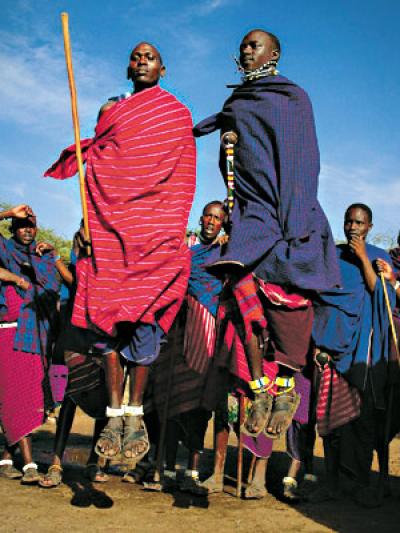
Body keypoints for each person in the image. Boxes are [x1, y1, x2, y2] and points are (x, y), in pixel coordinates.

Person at [45, 42, 196, 465]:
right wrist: (90, 227)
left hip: (153, 236)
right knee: (106, 321)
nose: (142, 60)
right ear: (128, 66)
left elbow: (180, 177)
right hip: (110, 236)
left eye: (150, 56)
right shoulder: (113, 112)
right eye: (135, 56)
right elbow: (103, 176)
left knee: (146, 319)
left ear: (162, 69)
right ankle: (114, 415)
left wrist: (166, 231)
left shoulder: (174, 115)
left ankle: (135, 413)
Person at [194, 29, 340, 443]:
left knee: (289, 297)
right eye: (243, 45)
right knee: (240, 290)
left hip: (286, 209)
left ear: (275, 53)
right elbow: (220, 128)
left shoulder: (292, 98)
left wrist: (297, 220)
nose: (246, 50)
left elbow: (302, 156)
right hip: (249, 213)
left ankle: (287, 386)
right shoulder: (238, 100)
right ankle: (259, 389)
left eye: (255, 45)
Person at [312, 203, 395, 506]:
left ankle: (359, 482)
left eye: (359, 223)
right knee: (330, 420)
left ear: (369, 227)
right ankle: (332, 482)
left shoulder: (378, 258)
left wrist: (363, 258)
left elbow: (383, 297)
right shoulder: (333, 256)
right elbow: (320, 296)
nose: (353, 228)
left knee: (361, 422)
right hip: (332, 351)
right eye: (349, 222)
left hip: (363, 353)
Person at [144, 201, 226, 493]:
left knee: (198, 407)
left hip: (207, 335)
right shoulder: (186, 248)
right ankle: (162, 468)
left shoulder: (225, 252)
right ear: (202, 218)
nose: (212, 222)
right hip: (177, 332)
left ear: (222, 223)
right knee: (169, 399)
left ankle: (191, 471)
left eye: (218, 218)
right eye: (209, 216)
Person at [39, 223, 109, 488]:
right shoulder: (74, 259)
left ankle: (95, 461)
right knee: (70, 396)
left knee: (106, 399)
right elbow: (77, 281)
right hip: (74, 330)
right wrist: (58, 258)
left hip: (101, 331)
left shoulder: (107, 259)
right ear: (80, 232)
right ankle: (56, 461)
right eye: (85, 226)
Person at [0, 205, 61, 484]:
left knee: (27, 397)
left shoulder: (45, 255)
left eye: (30, 225)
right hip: (10, 333)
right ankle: (29, 464)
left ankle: (6, 457)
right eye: (21, 224)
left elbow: (52, 290)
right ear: (12, 227)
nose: (26, 229)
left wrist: (45, 262)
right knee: (16, 397)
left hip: (37, 334)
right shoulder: (6, 251)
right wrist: (8, 212)